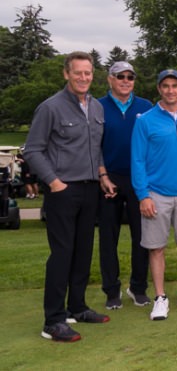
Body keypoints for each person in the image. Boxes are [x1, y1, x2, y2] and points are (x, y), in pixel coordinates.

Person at [26, 51, 114, 342]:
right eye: (78, 73)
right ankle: (53, 320)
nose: (83, 78)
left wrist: (102, 175)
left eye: (88, 73)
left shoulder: (98, 107)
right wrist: (54, 182)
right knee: (62, 255)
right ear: (66, 74)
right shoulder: (50, 107)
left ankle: (77, 307)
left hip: (91, 189)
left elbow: (96, 146)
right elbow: (33, 150)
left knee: (83, 252)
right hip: (63, 190)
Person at [131, 69, 177, 321]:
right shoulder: (145, 120)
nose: (171, 90)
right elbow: (138, 160)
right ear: (159, 89)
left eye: (175, 85)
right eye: (166, 86)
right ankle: (161, 297)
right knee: (157, 247)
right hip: (156, 193)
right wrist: (143, 195)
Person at [97, 61, 154, 310]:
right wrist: (102, 175)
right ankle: (112, 290)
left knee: (142, 236)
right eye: (120, 76)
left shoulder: (145, 106)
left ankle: (138, 287)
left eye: (130, 77)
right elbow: (92, 145)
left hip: (139, 179)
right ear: (110, 79)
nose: (126, 81)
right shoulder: (97, 107)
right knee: (108, 238)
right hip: (108, 179)